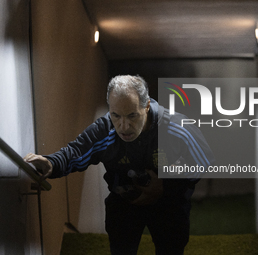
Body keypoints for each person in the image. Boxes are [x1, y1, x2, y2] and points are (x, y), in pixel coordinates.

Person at [24, 75, 215, 255]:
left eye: (132, 116)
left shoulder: (176, 126)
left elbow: (202, 160)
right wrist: (51, 163)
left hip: (169, 203)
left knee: (171, 247)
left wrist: (165, 186)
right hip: (125, 202)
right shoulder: (105, 129)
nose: (123, 126)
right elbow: (76, 151)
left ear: (147, 106)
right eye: (116, 115)